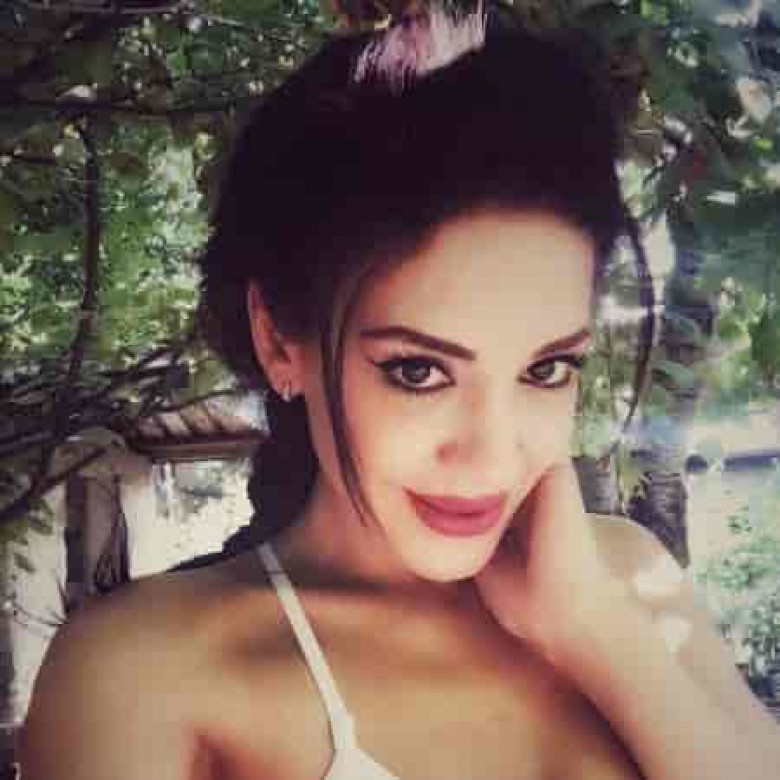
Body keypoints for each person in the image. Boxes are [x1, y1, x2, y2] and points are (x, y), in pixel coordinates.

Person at [19, 3, 780, 779]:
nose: (492, 457)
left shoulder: (625, 577)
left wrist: (593, 629)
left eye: (546, 369)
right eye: (419, 371)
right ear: (280, 340)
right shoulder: (149, 671)